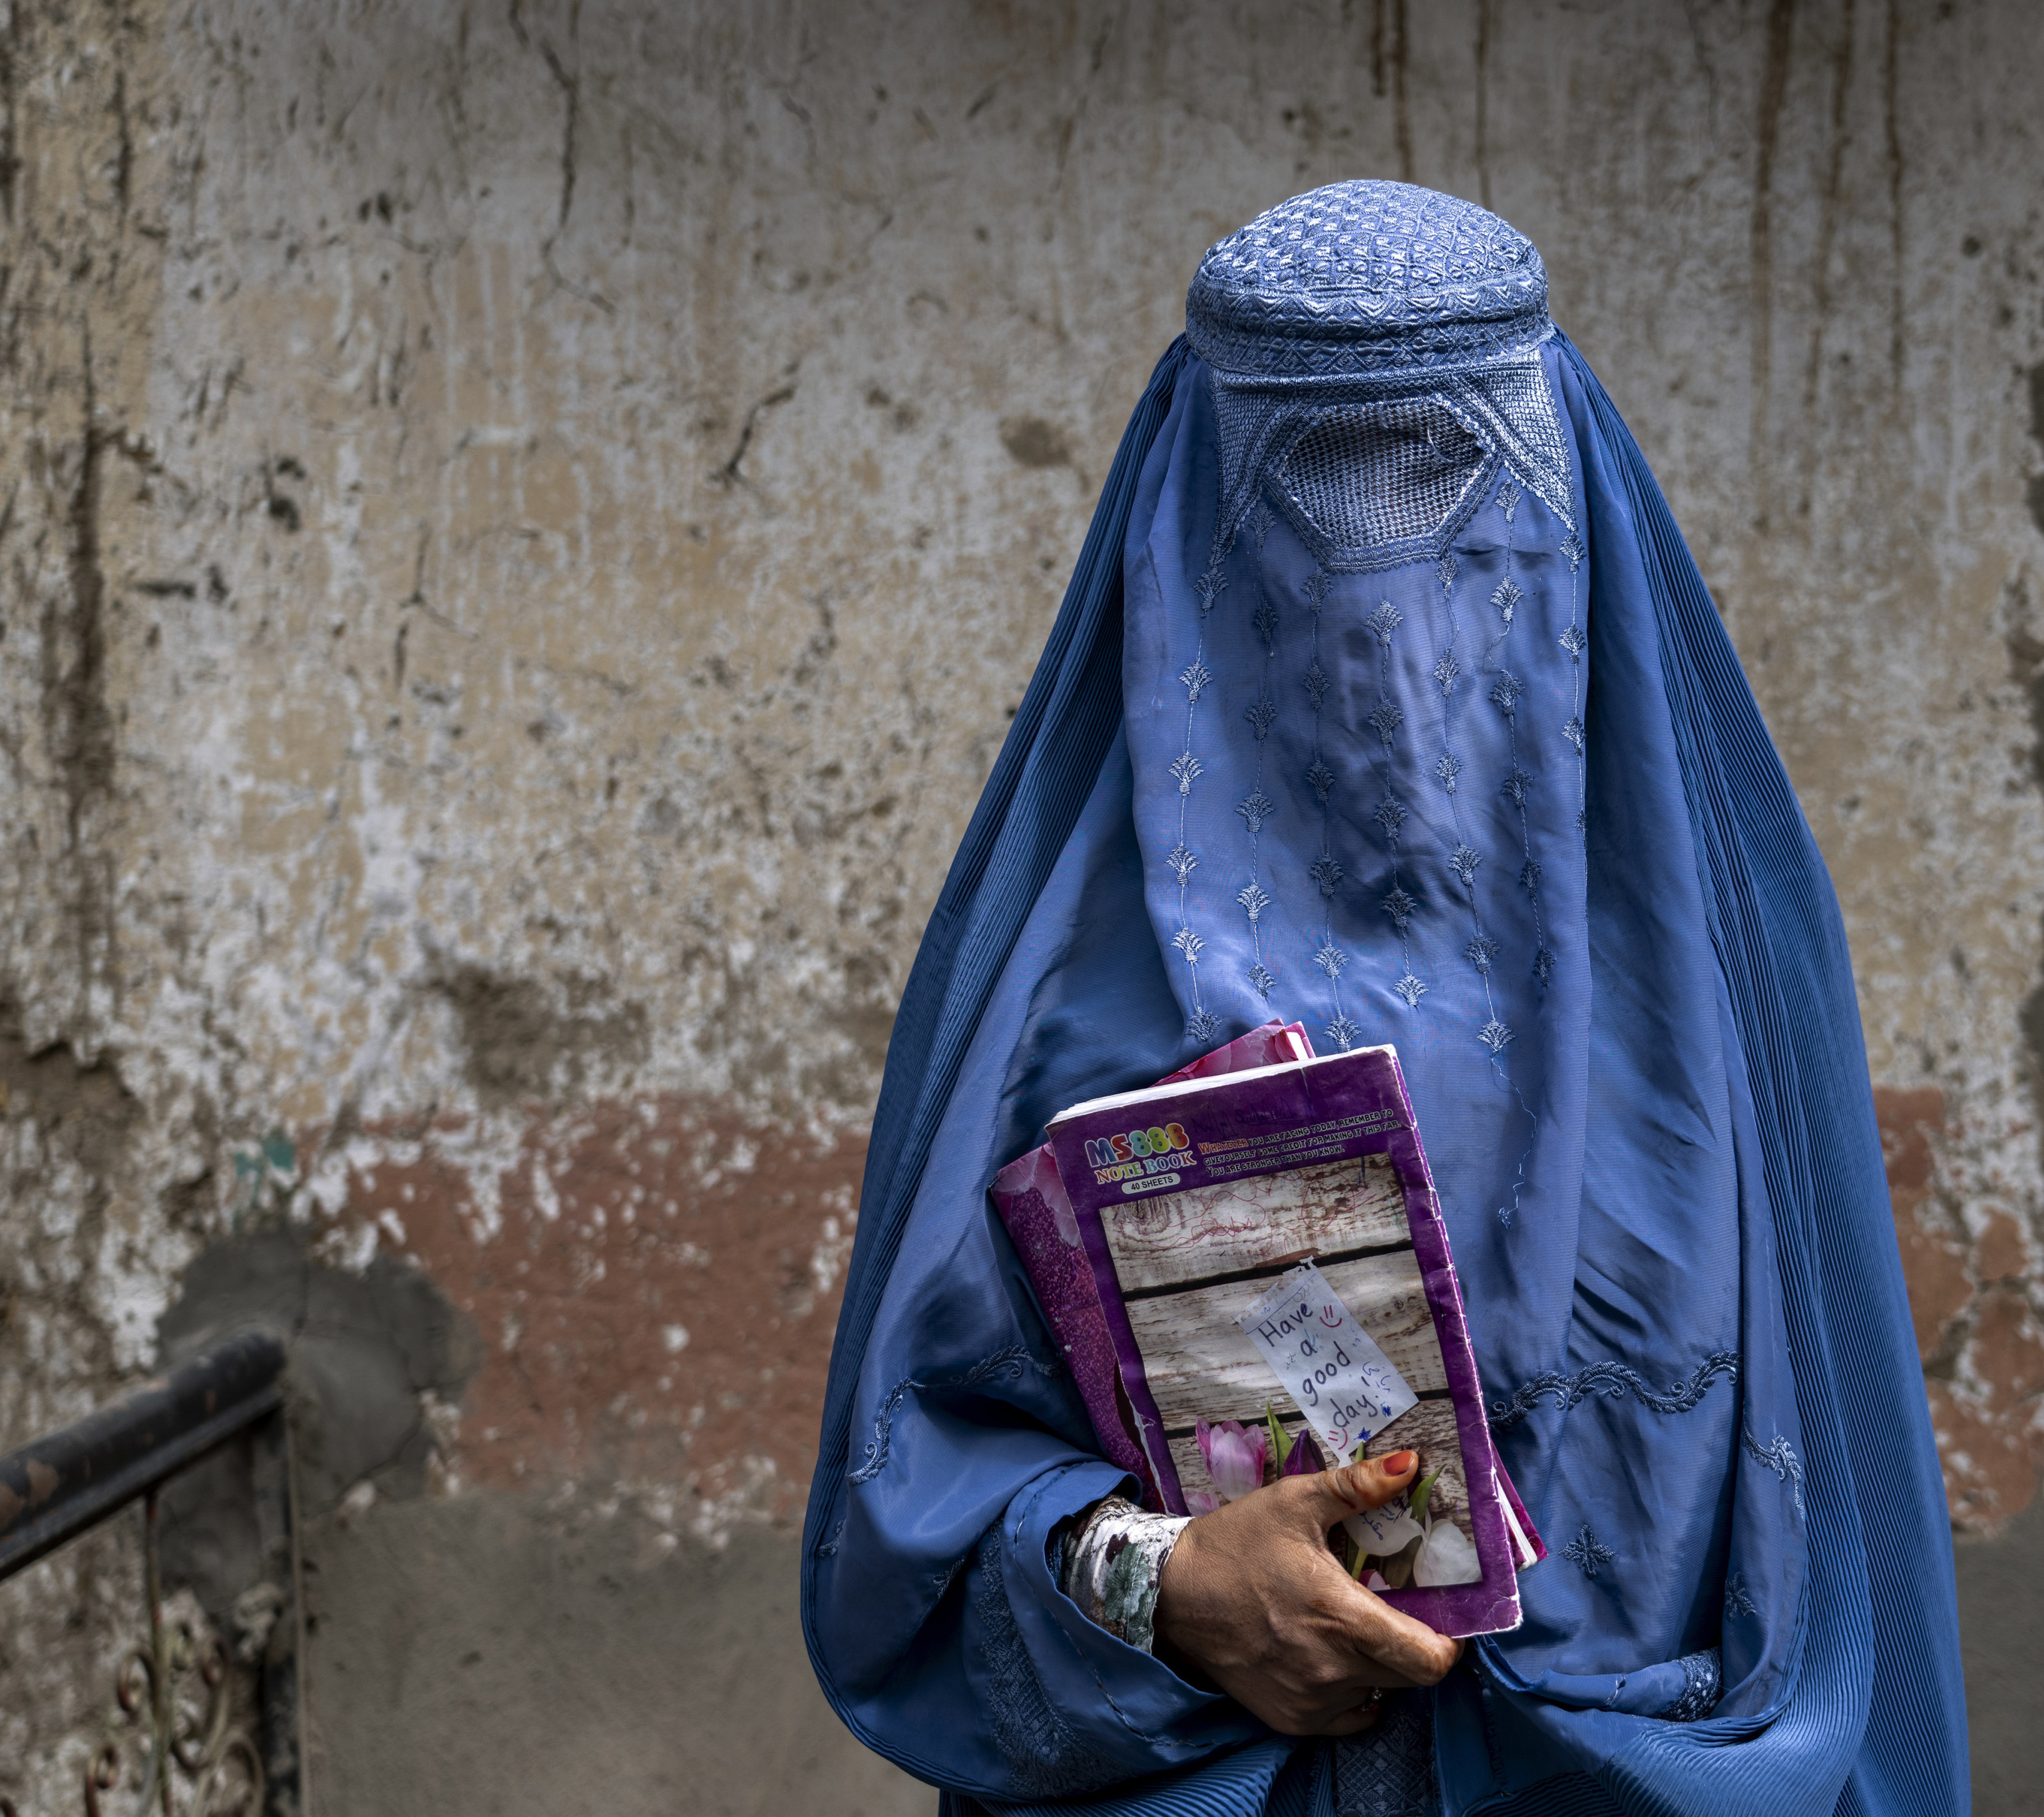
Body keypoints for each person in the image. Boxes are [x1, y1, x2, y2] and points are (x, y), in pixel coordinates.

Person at [802, 180, 1968, 1817]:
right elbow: (901, 1512)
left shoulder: (1720, 986)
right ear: (1185, 511)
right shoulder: (1058, 976)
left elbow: (1835, 1534)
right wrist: (1164, 1581)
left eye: (1445, 477)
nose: (1380, 628)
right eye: (1299, 492)